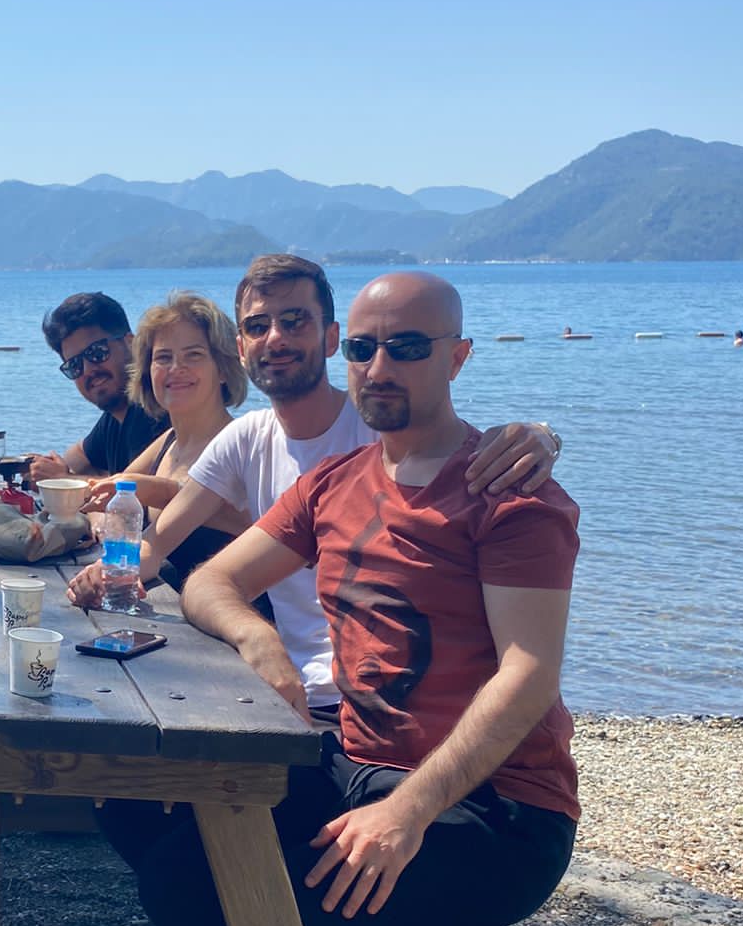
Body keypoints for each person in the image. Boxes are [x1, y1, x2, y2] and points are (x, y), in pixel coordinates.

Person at [107, 271, 579, 926]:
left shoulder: (511, 498)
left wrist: (407, 812)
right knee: (177, 869)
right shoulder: (337, 482)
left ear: (458, 356)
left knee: (277, 899)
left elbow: (529, 676)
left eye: (407, 346)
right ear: (344, 353)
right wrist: (258, 643)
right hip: (357, 768)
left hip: (495, 814)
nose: (379, 366)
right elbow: (211, 583)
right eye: (364, 347)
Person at [70, 256, 562, 713]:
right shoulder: (247, 438)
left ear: (331, 339)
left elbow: (451, 443)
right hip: (294, 688)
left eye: (294, 321)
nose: (276, 338)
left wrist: (541, 435)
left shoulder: (380, 426)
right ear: (240, 348)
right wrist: (107, 575)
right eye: (258, 327)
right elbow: (157, 548)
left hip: (386, 704)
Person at [71, 291, 248, 585]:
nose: (176, 369)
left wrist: (158, 491)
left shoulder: (240, 446)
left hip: (229, 609)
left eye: (193, 355)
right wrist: (97, 519)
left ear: (223, 369)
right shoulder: (169, 441)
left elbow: (250, 522)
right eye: (164, 357)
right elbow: (107, 496)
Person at [26, 292, 167, 484]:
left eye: (97, 352)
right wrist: (46, 466)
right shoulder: (117, 416)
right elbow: (77, 455)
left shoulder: (156, 408)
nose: (88, 370)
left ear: (131, 344)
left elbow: (148, 491)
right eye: (74, 365)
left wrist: (64, 480)